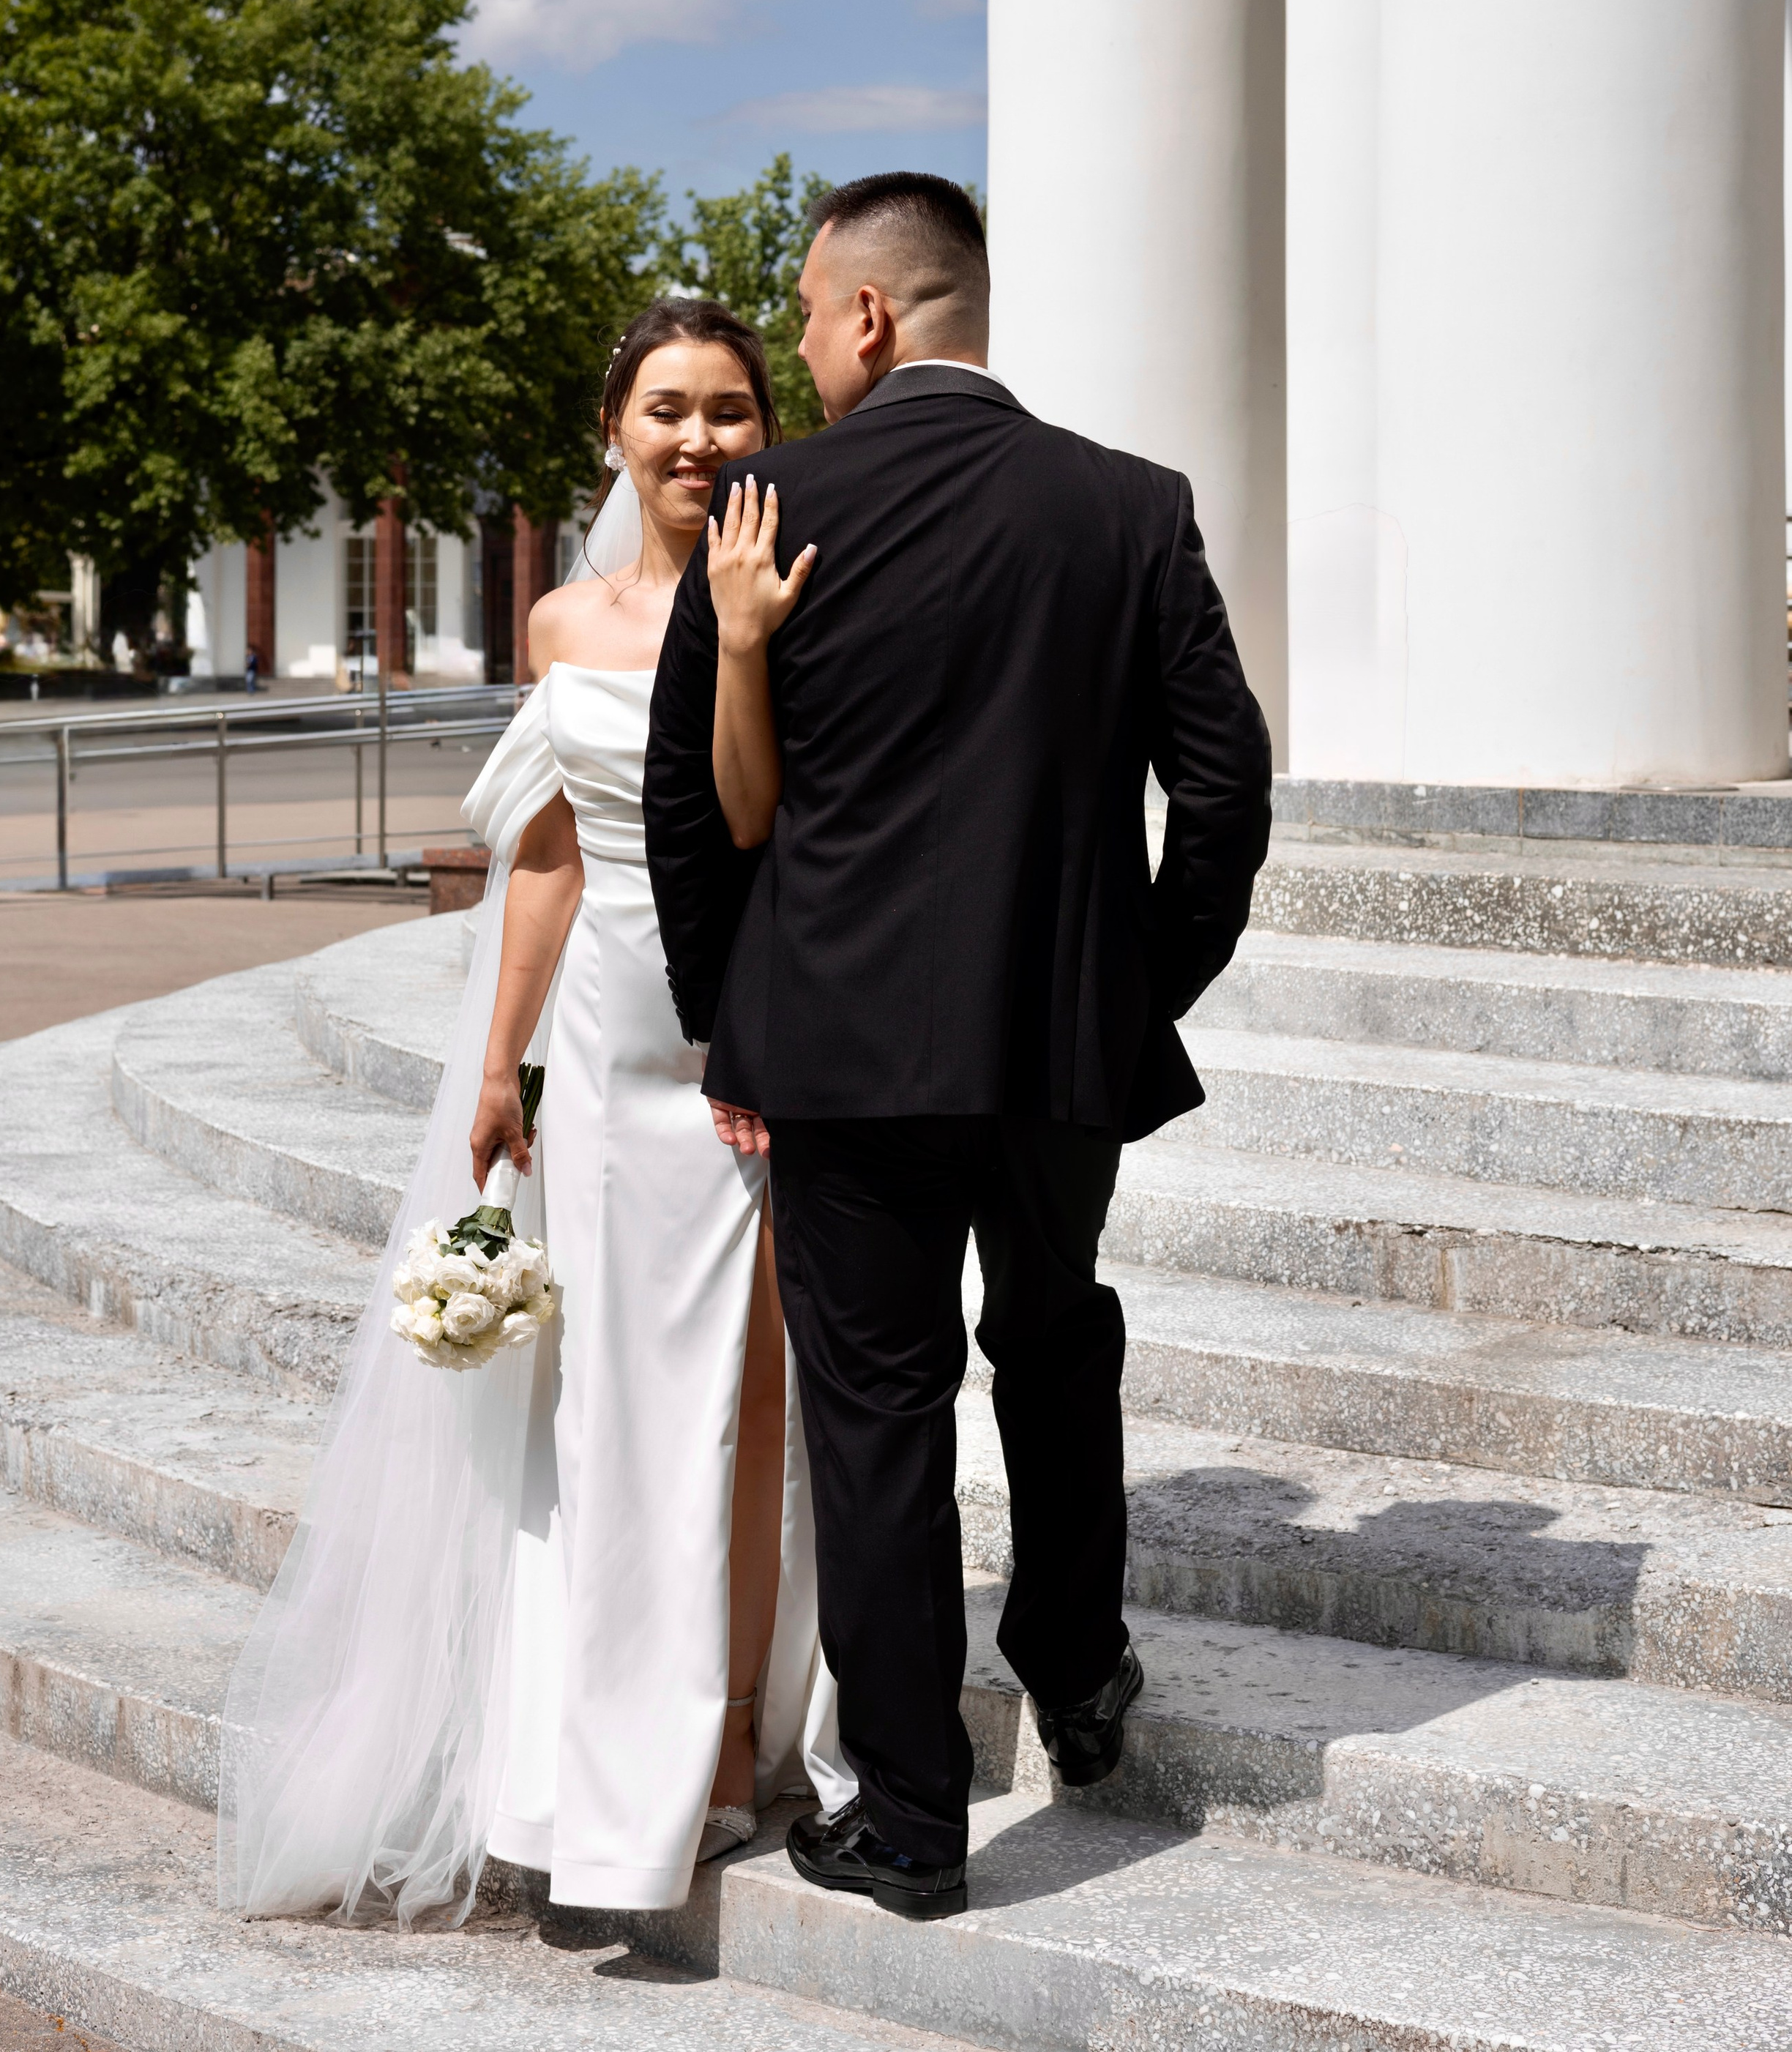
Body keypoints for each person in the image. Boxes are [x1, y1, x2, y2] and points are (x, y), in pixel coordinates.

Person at [644, 173, 1272, 1923]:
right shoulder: (1128, 506)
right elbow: (1224, 790)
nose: (802, 352)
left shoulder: (767, 508)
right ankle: (1075, 1672)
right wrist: (1137, 986)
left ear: (866, 314)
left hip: (836, 1055)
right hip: (1057, 1041)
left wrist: (728, 1026)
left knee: (877, 1409)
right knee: (1054, 1341)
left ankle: (915, 1817)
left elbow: (692, 806)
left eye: (804, 316)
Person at [219, 297, 848, 1928]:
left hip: (744, 1043)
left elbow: (767, 821)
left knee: (745, 1407)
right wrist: (501, 1058)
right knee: (602, 1413)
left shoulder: (798, 587)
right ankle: (584, 1747)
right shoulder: (564, 621)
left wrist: (748, 640)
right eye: (666, 408)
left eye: (728, 407)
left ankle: (724, 1743)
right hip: (601, 1050)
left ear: (767, 427)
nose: (697, 438)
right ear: (614, 430)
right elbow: (553, 855)